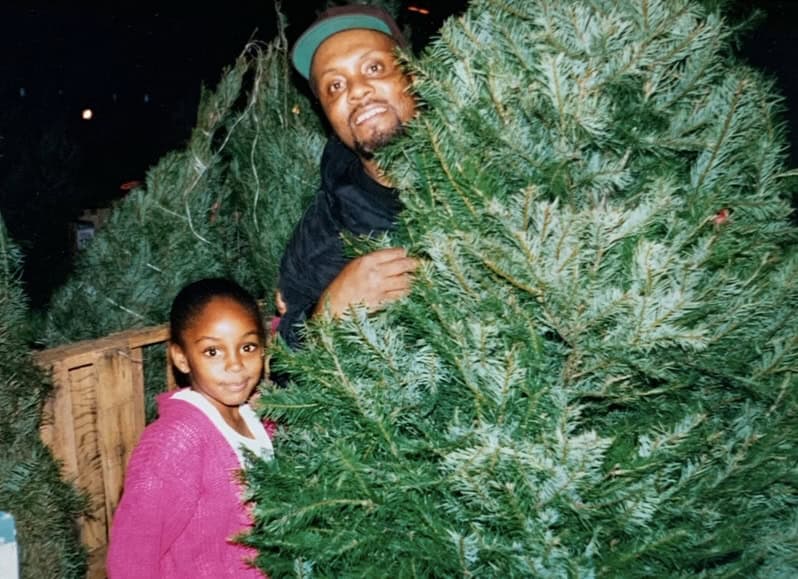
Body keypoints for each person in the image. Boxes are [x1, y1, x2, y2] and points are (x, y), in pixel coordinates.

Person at [107, 278, 274, 578]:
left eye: (247, 347)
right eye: (213, 352)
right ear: (182, 358)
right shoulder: (174, 443)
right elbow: (131, 557)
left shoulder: (257, 419)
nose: (235, 365)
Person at [277, 5, 419, 347]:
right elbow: (286, 371)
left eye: (374, 67)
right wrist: (329, 313)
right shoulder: (321, 237)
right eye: (335, 86)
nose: (356, 91)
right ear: (328, 116)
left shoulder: (490, 164)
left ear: (413, 77)